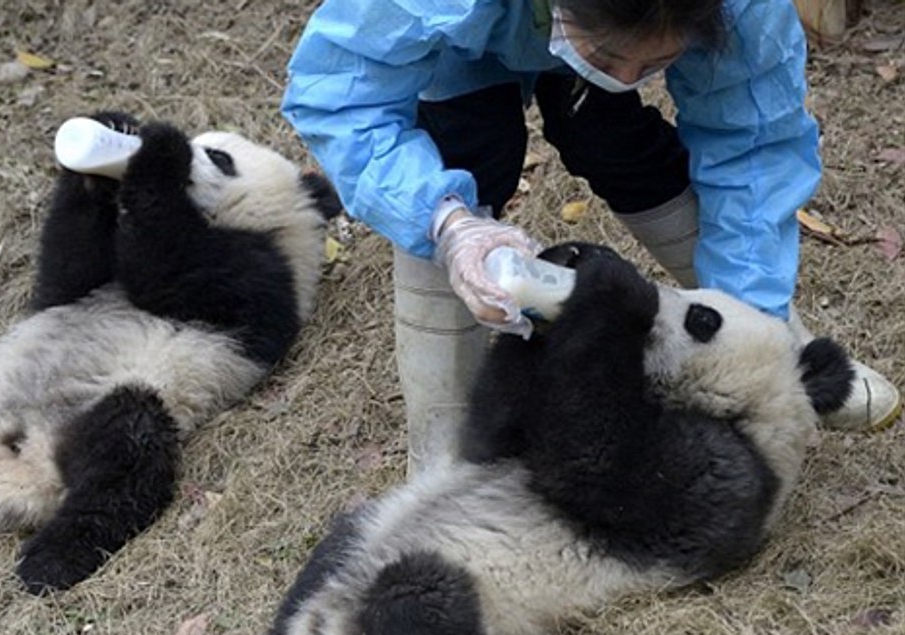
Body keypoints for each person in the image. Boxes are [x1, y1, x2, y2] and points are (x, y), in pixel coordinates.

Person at [281, 0, 901, 473]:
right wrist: (447, 225)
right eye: (609, 57)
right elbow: (340, 94)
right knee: (468, 147)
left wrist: (755, 334)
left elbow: (753, 150)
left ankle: (778, 344)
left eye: (653, 63)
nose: (628, 74)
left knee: (611, 134)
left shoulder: (739, 8)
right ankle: (446, 453)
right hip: (455, 45)